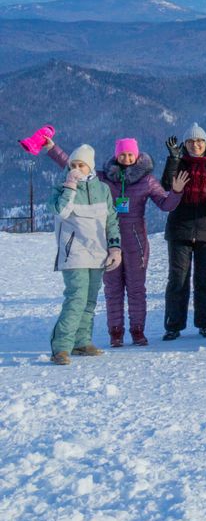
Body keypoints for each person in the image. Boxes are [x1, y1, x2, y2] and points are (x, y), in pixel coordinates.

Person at [42, 135, 182, 346]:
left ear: (137, 156)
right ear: (117, 156)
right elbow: (75, 165)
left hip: (136, 242)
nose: (126, 158)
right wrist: (52, 148)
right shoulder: (105, 177)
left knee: (136, 289)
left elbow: (166, 204)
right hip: (107, 241)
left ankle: (137, 331)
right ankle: (115, 332)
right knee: (112, 290)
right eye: (123, 154)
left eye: (130, 154)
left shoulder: (147, 180)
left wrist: (177, 191)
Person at [47, 144, 123, 364]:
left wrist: (115, 247)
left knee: (89, 301)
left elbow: (111, 221)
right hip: (74, 253)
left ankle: (81, 342)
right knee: (76, 298)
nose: (77, 169)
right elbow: (60, 211)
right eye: (74, 165)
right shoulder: (62, 188)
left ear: (90, 167)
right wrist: (70, 187)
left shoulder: (103, 190)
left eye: (82, 165)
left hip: (97, 253)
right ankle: (61, 347)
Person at [160, 123, 206, 341]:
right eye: (190, 141)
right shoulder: (179, 163)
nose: (195, 145)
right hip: (179, 230)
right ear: (185, 144)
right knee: (178, 279)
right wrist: (173, 159)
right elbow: (165, 186)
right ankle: (173, 325)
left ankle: (205, 324)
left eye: (199, 141)